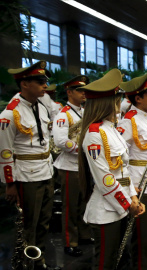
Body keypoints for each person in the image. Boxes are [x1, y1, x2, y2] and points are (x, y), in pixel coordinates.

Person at [77, 69, 145, 270]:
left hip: (121, 205)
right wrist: (127, 204)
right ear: (107, 101)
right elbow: (105, 179)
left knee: (121, 261)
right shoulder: (94, 134)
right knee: (106, 263)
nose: (120, 101)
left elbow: (123, 170)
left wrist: (133, 197)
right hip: (107, 210)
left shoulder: (110, 128)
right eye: (117, 97)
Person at [0, 60, 60, 270]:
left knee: (44, 221)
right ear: (24, 84)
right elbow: (5, 152)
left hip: (46, 171)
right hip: (26, 176)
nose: (45, 85)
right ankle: (24, 263)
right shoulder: (10, 114)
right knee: (28, 224)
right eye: (40, 81)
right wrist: (10, 183)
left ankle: (38, 259)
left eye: (44, 81)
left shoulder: (41, 106)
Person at [116, 70, 147, 269]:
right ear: (138, 98)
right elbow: (119, 157)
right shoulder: (129, 121)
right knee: (142, 237)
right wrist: (129, 187)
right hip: (140, 185)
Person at [52, 75, 92, 257]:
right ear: (69, 92)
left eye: (84, 90)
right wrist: (81, 150)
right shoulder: (63, 115)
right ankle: (70, 241)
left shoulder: (83, 112)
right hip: (69, 166)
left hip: (83, 166)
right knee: (70, 205)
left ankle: (84, 234)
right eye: (79, 90)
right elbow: (61, 141)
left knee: (84, 202)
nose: (84, 93)